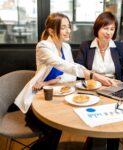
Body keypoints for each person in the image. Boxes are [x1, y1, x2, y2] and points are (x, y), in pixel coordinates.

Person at [14, 12, 117, 150]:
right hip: (39, 97)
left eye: (69, 26)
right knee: (54, 129)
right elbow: (65, 66)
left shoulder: (66, 47)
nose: (68, 30)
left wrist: (48, 82)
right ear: (51, 30)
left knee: (83, 116)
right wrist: (94, 75)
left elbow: (71, 75)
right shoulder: (43, 47)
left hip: (59, 95)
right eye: (63, 27)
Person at [75, 11, 123, 150]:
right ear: (97, 28)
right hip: (92, 90)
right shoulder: (86, 46)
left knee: (113, 122)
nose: (109, 32)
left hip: (115, 89)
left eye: (112, 29)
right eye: (105, 28)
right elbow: (78, 68)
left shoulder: (119, 46)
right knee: (98, 121)